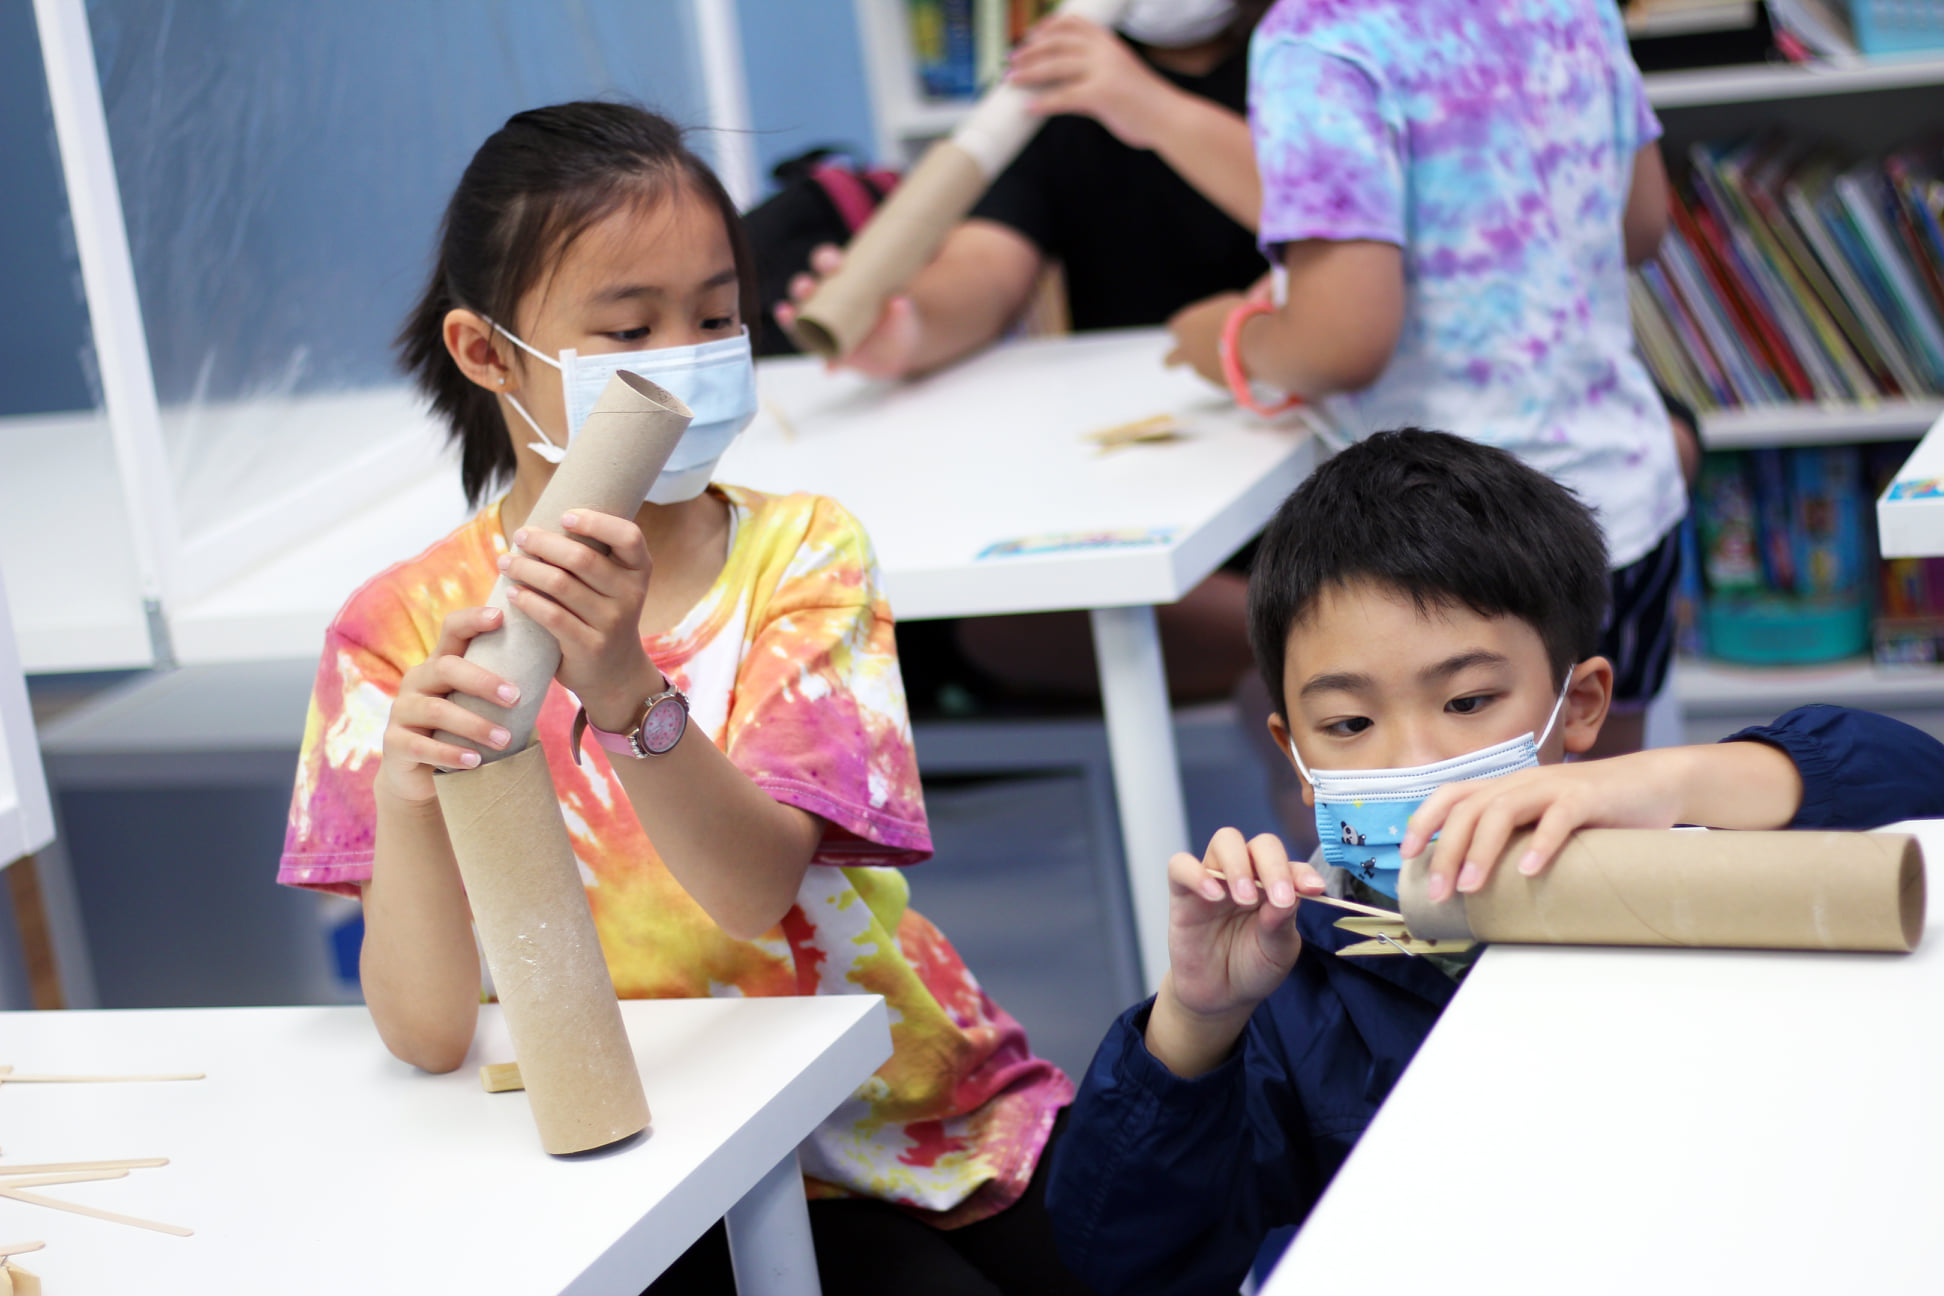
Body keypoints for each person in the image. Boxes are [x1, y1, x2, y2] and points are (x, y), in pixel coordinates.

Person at [275, 102, 1088, 1296]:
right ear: (487, 353)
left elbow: (755, 892)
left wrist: (622, 687)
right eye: (630, 327)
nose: (687, 356)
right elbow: (426, 1033)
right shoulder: (396, 628)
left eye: (715, 316)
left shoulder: (803, 553)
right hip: (645, 1155)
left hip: (908, 1116)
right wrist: (406, 796)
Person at [1042, 429, 1944, 1296]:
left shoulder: (1662, 871)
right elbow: (1123, 1264)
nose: (1415, 761)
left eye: (1469, 701)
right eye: (1349, 724)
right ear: (1297, 757)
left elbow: (1914, 781)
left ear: (1579, 705)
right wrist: (1193, 1022)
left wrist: (1678, 778)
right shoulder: (1290, 988)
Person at [1166, 0, 1686, 753]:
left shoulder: (1319, 38)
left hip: (1447, 543)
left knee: (1433, 816)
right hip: (1625, 496)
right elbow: (1639, 225)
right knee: (1600, 798)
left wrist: (1225, 337)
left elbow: (1343, 344)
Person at [777, 2, 1274, 708]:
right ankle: (1298, 644)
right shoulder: (1062, 79)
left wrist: (1150, 107)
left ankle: (1315, 642)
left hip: (1305, 431)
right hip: (1150, 464)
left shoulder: (1321, 52)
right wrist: (910, 327)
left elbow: (1343, 224)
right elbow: (987, 264)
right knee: (994, 625)